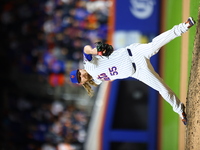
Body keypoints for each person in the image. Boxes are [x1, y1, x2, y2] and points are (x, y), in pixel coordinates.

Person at [69, 17, 195, 125]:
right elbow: (109, 75)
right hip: (138, 72)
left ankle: (183, 27)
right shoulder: (96, 81)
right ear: (81, 83)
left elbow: (85, 49)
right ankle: (180, 110)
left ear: (80, 69)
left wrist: (93, 51)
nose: (82, 75)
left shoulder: (88, 64)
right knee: (162, 89)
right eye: (80, 78)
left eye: (79, 73)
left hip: (134, 53)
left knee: (154, 46)